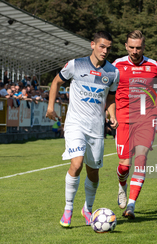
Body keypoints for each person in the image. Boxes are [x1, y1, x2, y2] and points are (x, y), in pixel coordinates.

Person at [45, 31, 119, 228]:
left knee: (93, 172)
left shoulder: (113, 72)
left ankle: (87, 209)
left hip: (96, 128)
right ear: (92, 45)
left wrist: (112, 114)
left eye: (108, 48)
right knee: (76, 164)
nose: (105, 51)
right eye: (102, 46)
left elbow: (111, 98)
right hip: (75, 123)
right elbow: (56, 82)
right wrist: (50, 107)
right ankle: (68, 209)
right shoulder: (75, 65)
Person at [112, 30, 157, 219]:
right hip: (123, 119)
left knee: (141, 158)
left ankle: (131, 205)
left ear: (144, 47)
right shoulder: (116, 65)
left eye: (138, 47)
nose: (135, 51)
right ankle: (122, 185)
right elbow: (108, 91)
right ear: (126, 46)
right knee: (124, 166)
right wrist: (109, 114)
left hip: (146, 118)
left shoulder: (154, 66)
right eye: (131, 47)